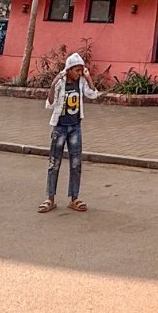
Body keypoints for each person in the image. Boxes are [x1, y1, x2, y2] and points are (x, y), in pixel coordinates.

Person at [39, 52, 99, 213]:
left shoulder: (81, 82)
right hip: (60, 127)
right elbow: (50, 104)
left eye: (81, 70)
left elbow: (93, 94)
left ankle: (74, 198)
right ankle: (50, 198)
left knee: (76, 163)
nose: (79, 73)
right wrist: (53, 85)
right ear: (69, 69)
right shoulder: (61, 83)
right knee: (54, 163)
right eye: (77, 70)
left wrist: (88, 77)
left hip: (75, 127)